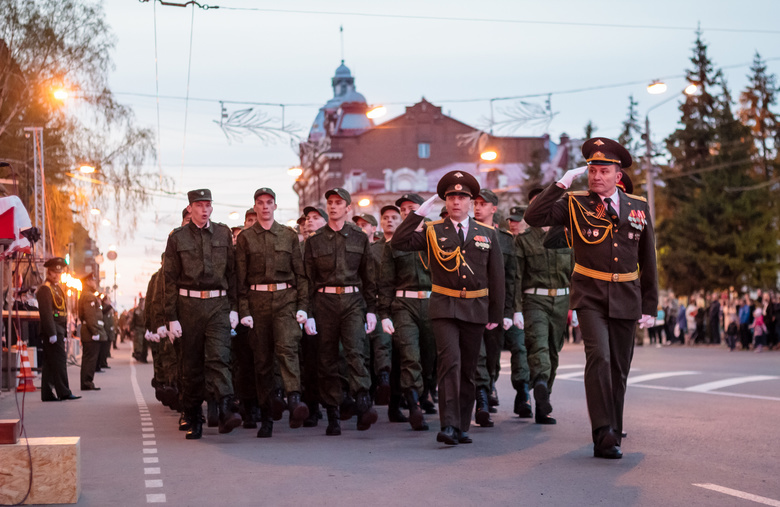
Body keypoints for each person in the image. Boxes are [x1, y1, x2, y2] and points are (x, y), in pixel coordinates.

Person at [524, 137, 658, 459]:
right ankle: (604, 434)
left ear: (617, 175)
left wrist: (650, 304)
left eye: (604, 171)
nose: (597, 177)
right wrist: (562, 182)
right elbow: (534, 217)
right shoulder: (575, 203)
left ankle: (614, 426)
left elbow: (647, 256)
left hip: (627, 294)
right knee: (599, 357)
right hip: (590, 295)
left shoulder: (638, 206)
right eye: (592, 170)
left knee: (619, 368)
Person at [391, 171, 505, 446]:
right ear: (446, 200)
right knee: (449, 364)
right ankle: (449, 426)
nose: (457, 202)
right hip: (444, 307)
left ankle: (463, 425)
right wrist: (420, 213)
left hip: (476, 307)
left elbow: (497, 277)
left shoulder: (487, 233)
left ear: (470, 201)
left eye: (462, 197)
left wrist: (495, 315)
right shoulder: (433, 230)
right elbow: (399, 241)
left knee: (468, 369)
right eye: (452, 197)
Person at [163, 188, 243, 439]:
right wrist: (171, 317)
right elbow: (169, 280)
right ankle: (193, 416)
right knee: (192, 364)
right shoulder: (177, 238)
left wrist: (234, 308)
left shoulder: (222, 232)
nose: (204, 209)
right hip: (189, 306)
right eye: (199, 205)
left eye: (208, 204)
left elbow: (232, 274)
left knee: (219, 357)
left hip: (218, 304)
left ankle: (226, 407)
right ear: (190, 208)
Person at [303, 187, 379, 435]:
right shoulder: (314, 241)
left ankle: (363, 405)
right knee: (327, 359)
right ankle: (333, 413)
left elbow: (368, 277)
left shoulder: (359, 237)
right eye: (330, 202)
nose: (333, 206)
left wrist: (371, 310)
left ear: (348, 208)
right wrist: (308, 313)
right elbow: (307, 280)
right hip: (324, 303)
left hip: (353, 301)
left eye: (339, 202)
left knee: (356, 353)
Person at [236, 187, 310, 438]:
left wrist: (302, 307)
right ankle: (267, 414)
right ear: (255, 207)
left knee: (288, 348)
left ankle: (294, 399)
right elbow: (241, 280)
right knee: (262, 360)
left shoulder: (288, 235)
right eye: (260, 203)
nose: (265, 207)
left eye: (269, 202)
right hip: (257, 302)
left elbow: (301, 275)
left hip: (285, 299)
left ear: (275, 206)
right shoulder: (246, 238)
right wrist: (244, 310)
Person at [515, 186, 574, 425]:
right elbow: (517, 277)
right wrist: (516, 309)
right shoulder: (524, 240)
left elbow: (576, 273)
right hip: (534, 299)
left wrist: (576, 306)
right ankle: (539, 381)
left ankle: (543, 401)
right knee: (538, 344)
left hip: (562, 300)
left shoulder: (568, 235)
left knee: (553, 350)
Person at [378, 194, 435, 431]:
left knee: (430, 359)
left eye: (412, 208)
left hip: (433, 304)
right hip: (404, 305)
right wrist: (384, 314)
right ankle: (414, 407)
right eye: (404, 210)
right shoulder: (394, 244)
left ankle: (423, 396)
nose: (407, 213)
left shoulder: (437, 235)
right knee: (409, 356)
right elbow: (386, 282)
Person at [472, 188, 518, 427]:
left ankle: (488, 384)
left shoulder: (505, 240)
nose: (477, 207)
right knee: (477, 354)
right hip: (471, 304)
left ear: (493, 208)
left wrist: (508, 312)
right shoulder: (466, 232)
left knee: (492, 356)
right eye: (475, 203)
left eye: (483, 204)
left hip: (496, 307)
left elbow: (511, 279)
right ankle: (481, 397)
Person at [37, 257, 80, 401]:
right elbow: (46, 312)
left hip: (59, 329)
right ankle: (64, 392)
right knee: (60, 361)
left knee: (50, 363)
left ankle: (47, 394)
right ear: (49, 272)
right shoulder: (45, 289)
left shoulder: (56, 288)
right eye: (55, 272)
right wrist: (52, 332)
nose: (57, 275)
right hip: (53, 330)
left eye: (59, 273)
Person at [78, 273, 108, 391]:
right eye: (93, 280)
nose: (95, 283)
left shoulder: (86, 295)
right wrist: (95, 332)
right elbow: (90, 316)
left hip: (88, 331)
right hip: (90, 333)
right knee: (90, 359)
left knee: (88, 358)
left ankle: (87, 382)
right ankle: (87, 382)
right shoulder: (89, 296)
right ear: (88, 282)